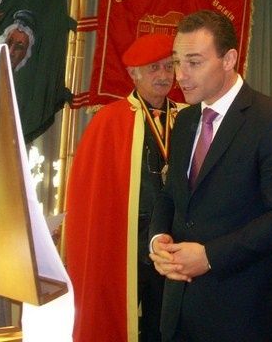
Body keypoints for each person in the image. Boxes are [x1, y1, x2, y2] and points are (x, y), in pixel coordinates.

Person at [149, 9, 272, 341]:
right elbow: (171, 195)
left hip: (245, 314)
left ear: (229, 59)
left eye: (194, 62)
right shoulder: (185, 121)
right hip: (180, 311)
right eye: (177, 62)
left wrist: (210, 256)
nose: (180, 75)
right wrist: (158, 239)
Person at [64, 33, 184, 342]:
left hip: (176, 239)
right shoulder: (109, 120)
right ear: (134, 74)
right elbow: (91, 193)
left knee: (167, 322)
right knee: (120, 317)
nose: (164, 75)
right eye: (153, 68)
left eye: (169, 66)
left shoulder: (188, 117)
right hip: (128, 240)